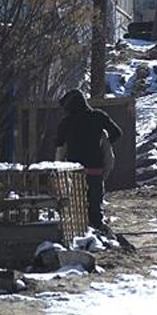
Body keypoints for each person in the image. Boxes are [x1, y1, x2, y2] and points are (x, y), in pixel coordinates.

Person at [55, 90, 122, 232]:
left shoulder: (66, 122)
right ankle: (98, 231)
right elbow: (117, 133)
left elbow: (59, 145)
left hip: (74, 171)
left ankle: (80, 234)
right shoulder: (98, 116)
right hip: (95, 169)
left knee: (76, 206)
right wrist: (101, 143)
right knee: (95, 206)